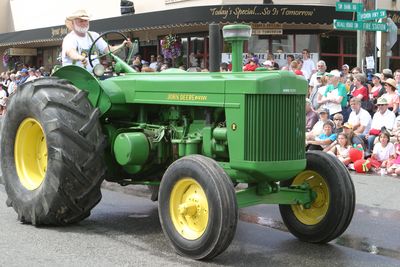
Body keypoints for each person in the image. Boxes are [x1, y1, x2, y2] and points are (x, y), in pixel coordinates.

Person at [62, 9, 131, 72]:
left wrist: (122, 45)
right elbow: (71, 52)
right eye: (80, 21)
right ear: (72, 23)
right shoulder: (69, 38)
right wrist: (80, 57)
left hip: (95, 76)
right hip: (75, 76)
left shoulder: (94, 36)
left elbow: (109, 50)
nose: (84, 23)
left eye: (86, 20)